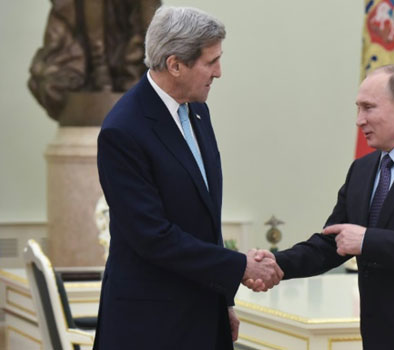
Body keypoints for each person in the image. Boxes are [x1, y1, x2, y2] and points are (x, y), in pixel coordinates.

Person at [253, 64, 394, 349]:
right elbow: (333, 242)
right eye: (358, 108)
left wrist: (368, 240)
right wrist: (276, 263)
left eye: (368, 108)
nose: (359, 120)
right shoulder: (362, 170)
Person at [95, 6, 282, 350]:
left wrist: (224, 300)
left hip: (202, 310)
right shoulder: (122, 130)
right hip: (151, 325)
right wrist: (239, 266)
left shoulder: (197, 110)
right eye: (210, 62)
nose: (219, 72)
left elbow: (205, 217)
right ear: (175, 64)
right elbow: (152, 236)